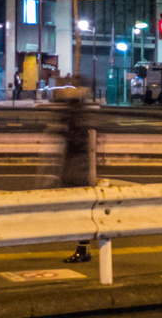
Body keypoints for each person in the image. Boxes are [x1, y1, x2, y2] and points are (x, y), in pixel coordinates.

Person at [55, 96, 97, 263]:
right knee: (80, 213)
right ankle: (83, 248)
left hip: (77, 174)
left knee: (79, 213)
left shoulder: (77, 128)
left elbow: (75, 148)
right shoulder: (83, 121)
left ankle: (83, 249)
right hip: (78, 173)